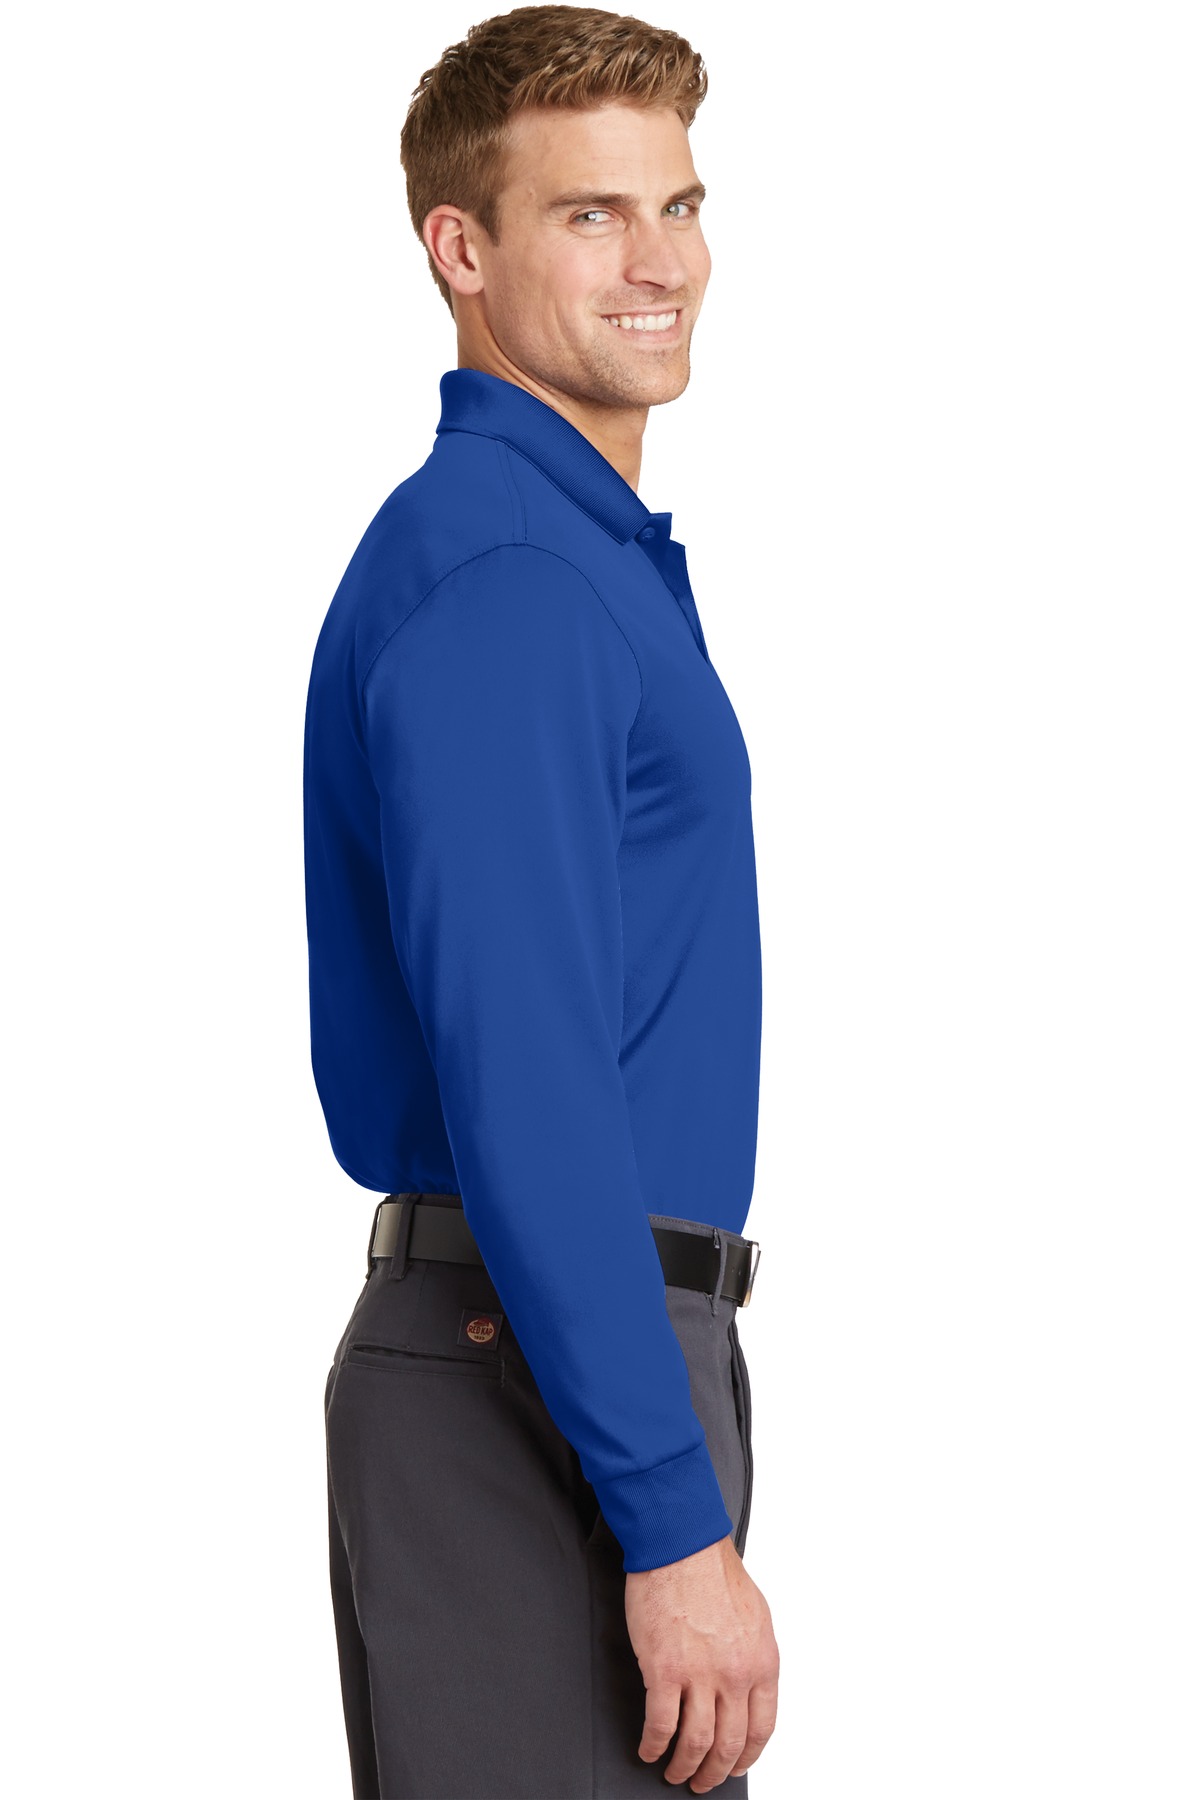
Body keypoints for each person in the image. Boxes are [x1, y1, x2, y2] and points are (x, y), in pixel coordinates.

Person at [303, 8, 780, 1795]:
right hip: (543, 1368)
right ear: (462, 249)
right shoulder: (511, 576)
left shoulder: (569, 554)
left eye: (681, 204)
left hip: (574, 1352)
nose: (664, 264)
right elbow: (526, 1080)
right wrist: (668, 1517)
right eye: (593, 215)